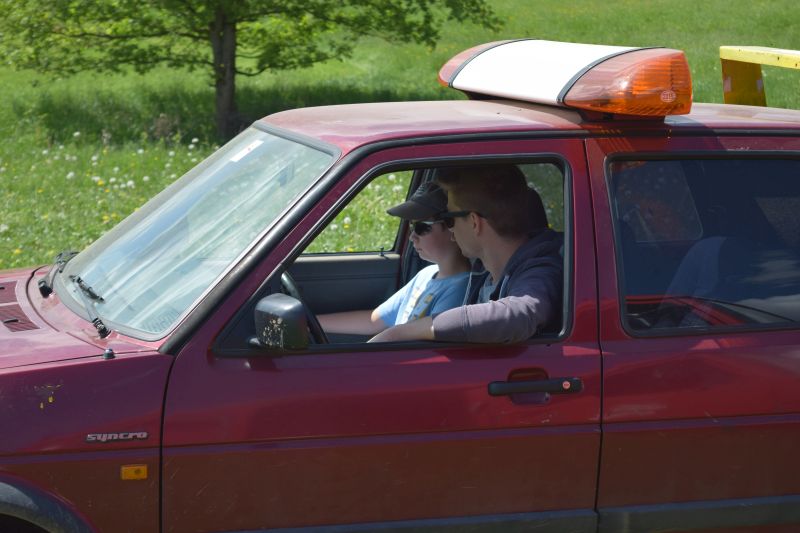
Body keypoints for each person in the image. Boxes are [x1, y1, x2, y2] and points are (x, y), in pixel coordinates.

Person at [368, 164, 563, 343]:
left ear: (474, 222)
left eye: (449, 219)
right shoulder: (485, 273)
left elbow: (521, 313)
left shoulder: (541, 270)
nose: (450, 230)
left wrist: (399, 333)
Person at [318, 182, 470, 336]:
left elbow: (431, 345)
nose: (412, 237)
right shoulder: (426, 274)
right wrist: (312, 324)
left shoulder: (460, 289)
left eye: (421, 227)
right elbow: (373, 321)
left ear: (453, 227)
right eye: (412, 226)